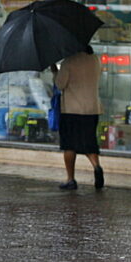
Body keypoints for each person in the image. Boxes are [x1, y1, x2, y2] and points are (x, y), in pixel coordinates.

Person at [53, 46, 104, 190]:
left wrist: (54, 71)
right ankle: (96, 166)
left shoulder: (69, 62)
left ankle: (70, 179)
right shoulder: (95, 59)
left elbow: (60, 84)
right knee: (89, 141)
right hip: (92, 108)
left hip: (72, 109)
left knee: (69, 145)